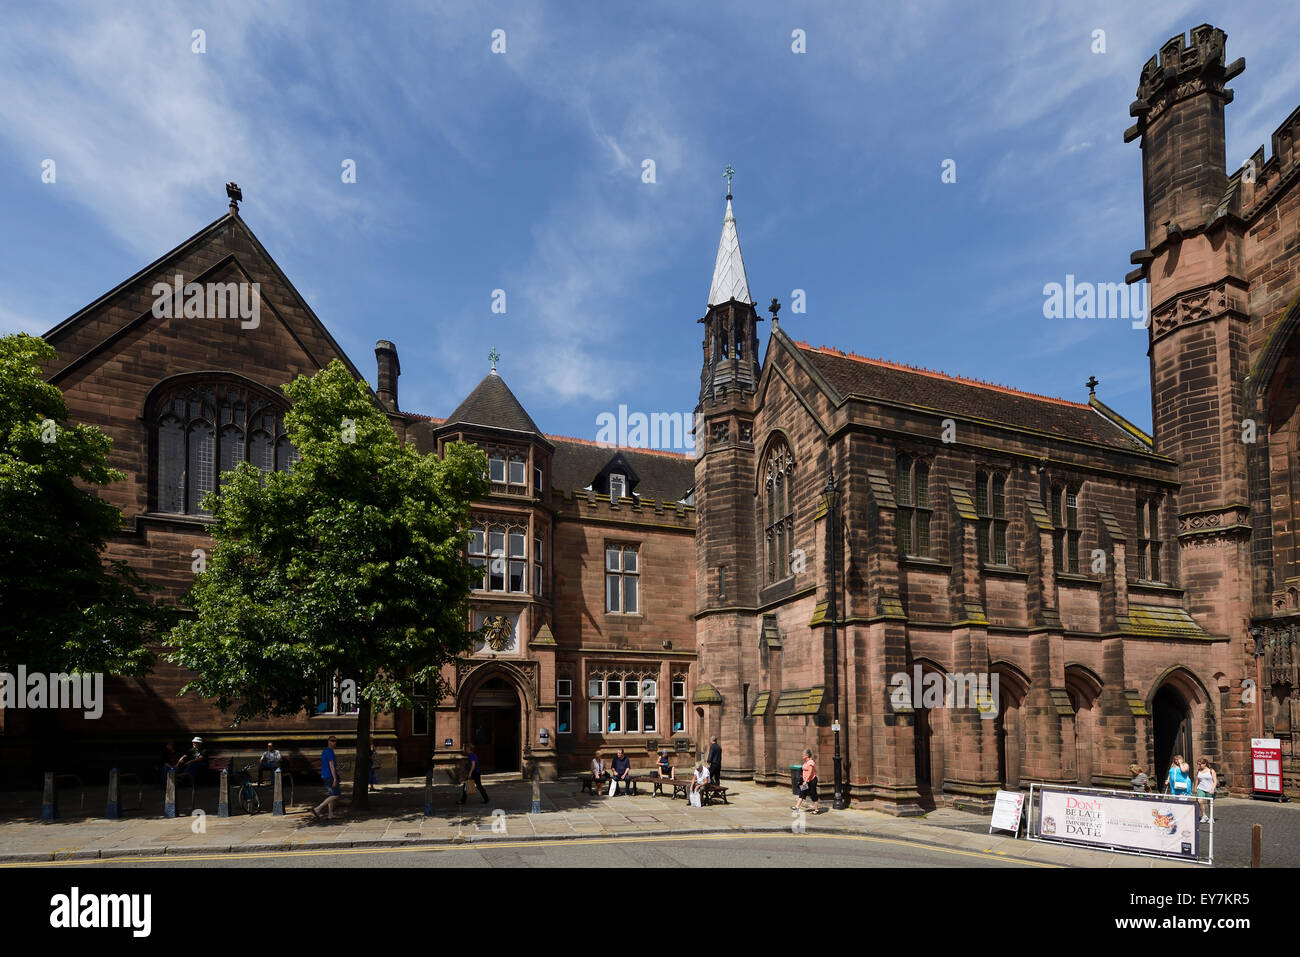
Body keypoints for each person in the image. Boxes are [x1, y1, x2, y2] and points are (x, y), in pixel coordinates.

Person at [311, 735, 341, 820]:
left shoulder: (326, 751)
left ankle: (330, 814)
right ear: (328, 741)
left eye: (335, 741)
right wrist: (335, 778)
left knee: (332, 794)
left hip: (325, 775)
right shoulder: (329, 752)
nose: (334, 742)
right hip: (329, 776)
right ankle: (317, 809)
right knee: (336, 794)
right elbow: (331, 765)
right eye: (332, 740)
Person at [793, 748, 820, 815]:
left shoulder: (811, 762)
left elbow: (810, 773)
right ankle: (797, 807)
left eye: (803, 754)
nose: (802, 755)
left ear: (807, 755)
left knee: (813, 794)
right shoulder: (806, 762)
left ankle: (816, 810)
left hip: (811, 781)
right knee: (802, 792)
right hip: (806, 781)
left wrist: (805, 781)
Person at [1194, 758, 1217, 823]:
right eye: (1198, 764)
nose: (1199, 766)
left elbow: (1215, 781)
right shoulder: (1198, 771)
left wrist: (1212, 789)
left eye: (1200, 764)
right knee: (1200, 801)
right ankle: (1204, 816)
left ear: (1205, 764)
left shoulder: (1211, 771)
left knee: (1209, 803)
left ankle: (1211, 817)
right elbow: (1197, 780)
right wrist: (1195, 787)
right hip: (1201, 788)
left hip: (1210, 789)